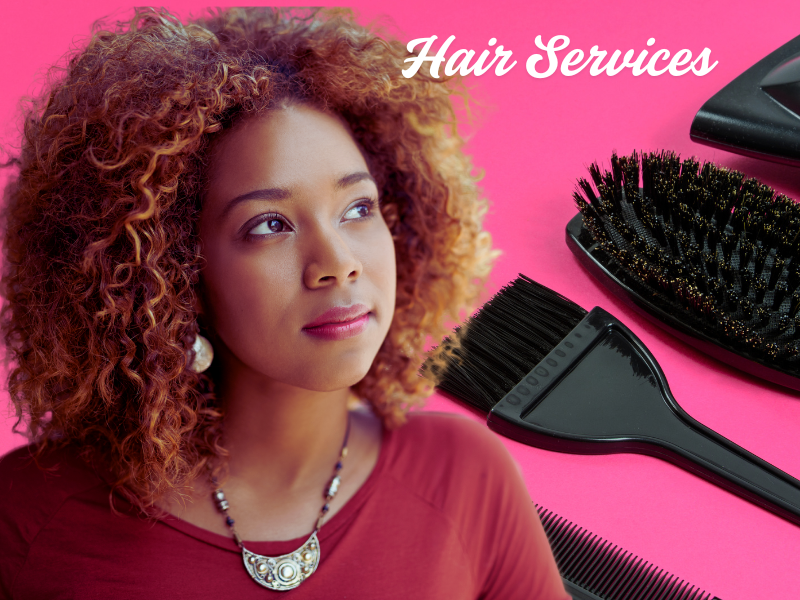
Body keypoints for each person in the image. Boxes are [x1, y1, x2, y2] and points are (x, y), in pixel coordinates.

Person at [0, 8, 570, 599]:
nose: (337, 261)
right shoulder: (31, 519)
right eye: (269, 224)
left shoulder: (463, 476)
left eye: (357, 209)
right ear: (169, 270)